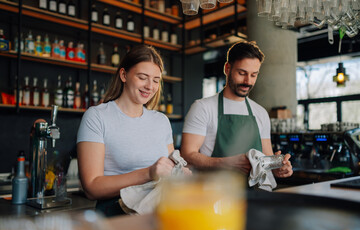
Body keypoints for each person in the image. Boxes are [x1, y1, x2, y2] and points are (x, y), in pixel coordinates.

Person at [77, 45, 190, 217]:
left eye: (155, 80)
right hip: (116, 216)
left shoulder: (161, 121)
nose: (149, 86)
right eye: (142, 77)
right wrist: (148, 173)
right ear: (123, 75)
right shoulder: (97, 117)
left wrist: (179, 174)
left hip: (159, 214)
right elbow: (92, 187)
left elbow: (167, 171)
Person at [181, 40, 293, 179]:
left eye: (253, 75)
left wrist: (278, 168)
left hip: (255, 195)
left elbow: (266, 160)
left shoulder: (260, 113)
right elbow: (187, 155)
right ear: (227, 68)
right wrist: (226, 163)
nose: (248, 81)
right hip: (214, 194)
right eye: (242, 73)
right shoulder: (203, 108)